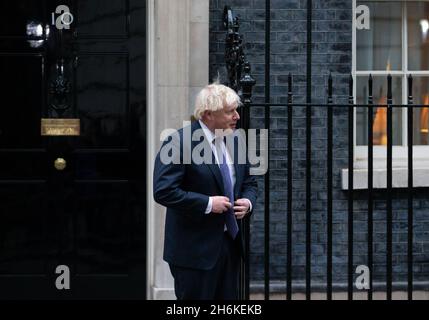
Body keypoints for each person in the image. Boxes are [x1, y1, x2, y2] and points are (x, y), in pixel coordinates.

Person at [153, 83, 258, 300]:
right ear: (208, 114)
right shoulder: (178, 142)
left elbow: (249, 182)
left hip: (229, 245)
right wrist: (208, 204)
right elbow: (163, 190)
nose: (237, 116)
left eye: (236, 110)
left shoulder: (235, 140)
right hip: (193, 251)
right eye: (230, 111)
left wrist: (248, 202)